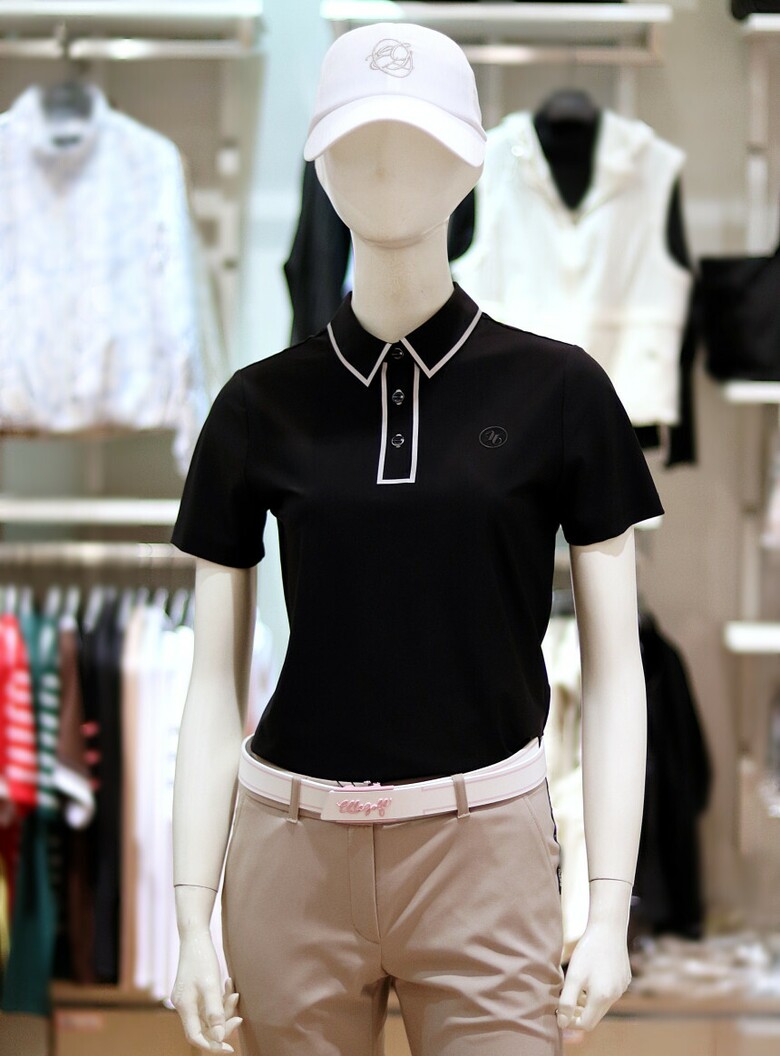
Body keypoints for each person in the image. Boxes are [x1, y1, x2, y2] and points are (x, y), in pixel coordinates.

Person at [169, 22, 663, 1056]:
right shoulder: (258, 406)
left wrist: (608, 906)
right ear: (319, 167)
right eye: (357, 142)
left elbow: (618, 670)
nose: (387, 167)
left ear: (474, 163)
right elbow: (211, 682)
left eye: (420, 141)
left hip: (485, 848)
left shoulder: (561, 392)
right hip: (290, 853)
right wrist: (188, 915)